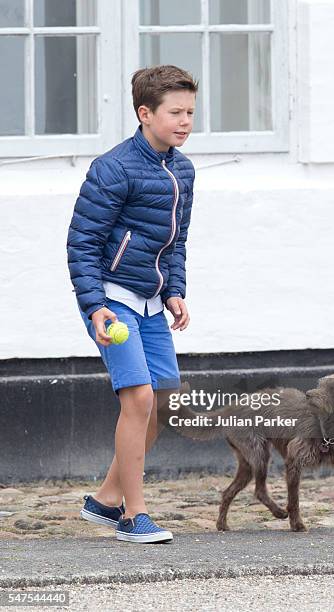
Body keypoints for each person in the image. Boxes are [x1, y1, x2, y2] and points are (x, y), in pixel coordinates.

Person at [66, 64, 198, 544]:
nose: (185, 121)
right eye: (175, 112)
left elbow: (175, 243)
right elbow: (82, 243)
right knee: (137, 398)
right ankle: (131, 515)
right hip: (112, 300)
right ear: (145, 113)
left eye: (190, 112)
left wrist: (174, 291)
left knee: (158, 403)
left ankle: (103, 499)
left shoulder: (182, 169)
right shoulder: (113, 167)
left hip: (149, 302)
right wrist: (95, 305)